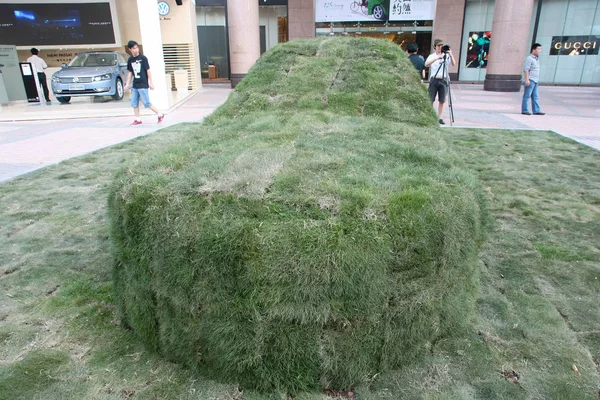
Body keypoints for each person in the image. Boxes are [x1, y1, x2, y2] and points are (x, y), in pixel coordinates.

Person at [124, 40, 165, 125]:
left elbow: (148, 71)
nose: (136, 50)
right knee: (134, 102)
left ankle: (160, 114)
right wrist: (127, 84)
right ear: (130, 49)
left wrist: (151, 82)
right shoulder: (130, 59)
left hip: (143, 84)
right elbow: (130, 72)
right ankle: (138, 119)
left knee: (146, 102)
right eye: (133, 48)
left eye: (136, 48)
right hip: (135, 84)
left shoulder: (143, 58)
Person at [425, 39, 455, 125]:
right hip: (434, 79)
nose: (440, 47)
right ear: (435, 47)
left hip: (444, 79)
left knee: (442, 100)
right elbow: (426, 64)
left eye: (441, 46)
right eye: (438, 46)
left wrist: (450, 54)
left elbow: (453, 64)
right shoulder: (432, 56)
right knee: (431, 99)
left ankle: (439, 117)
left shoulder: (446, 56)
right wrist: (437, 58)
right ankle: (430, 116)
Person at [522, 43, 545, 116]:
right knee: (527, 95)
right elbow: (526, 70)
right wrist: (527, 80)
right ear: (534, 49)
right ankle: (525, 110)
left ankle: (536, 110)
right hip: (531, 80)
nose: (540, 51)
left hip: (536, 80)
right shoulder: (529, 59)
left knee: (535, 96)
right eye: (538, 49)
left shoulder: (537, 59)